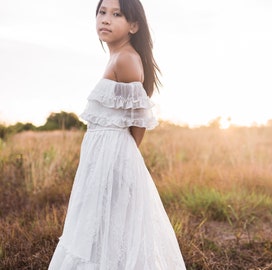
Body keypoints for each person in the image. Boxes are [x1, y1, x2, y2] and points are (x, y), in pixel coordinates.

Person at [48, 0, 186, 269]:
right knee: (98, 228)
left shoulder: (126, 59)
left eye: (116, 14)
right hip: (103, 155)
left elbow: (138, 120)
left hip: (114, 155)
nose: (106, 19)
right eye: (101, 12)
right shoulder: (117, 57)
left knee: (106, 229)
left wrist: (122, 160)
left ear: (133, 25)